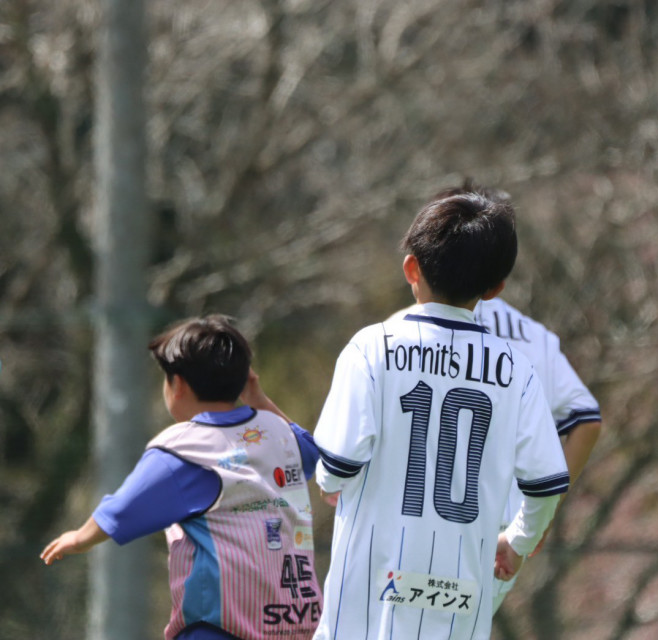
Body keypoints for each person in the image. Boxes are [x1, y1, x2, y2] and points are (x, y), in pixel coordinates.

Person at [312, 193, 569, 639]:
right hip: (456, 604)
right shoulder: (517, 369)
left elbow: (338, 465)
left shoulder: (371, 348)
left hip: (365, 603)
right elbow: (546, 484)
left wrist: (329, 482)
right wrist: (518, 541)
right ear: (495, 289)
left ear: (412, 268)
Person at [41, 315, 323, 640]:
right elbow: (316, 458)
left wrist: (80, 538)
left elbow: (121, 509)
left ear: (178, 385)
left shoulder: (184, 450)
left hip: (220, 628)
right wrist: (258, 398)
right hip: (295, 623)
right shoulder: (278, 433)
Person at [403, 180, 602, 611]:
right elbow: (586, 420)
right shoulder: (534, 336)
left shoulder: (401, 334)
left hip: (416, 525)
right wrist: (536, 519)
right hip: (498, 532)